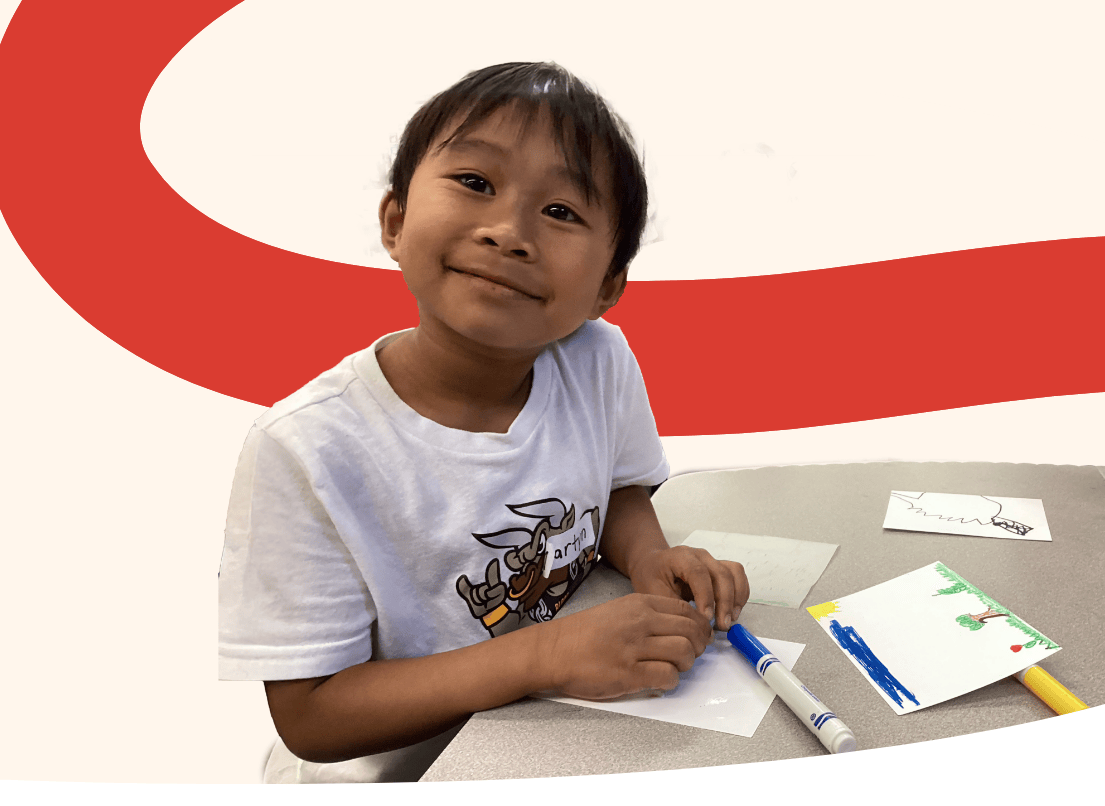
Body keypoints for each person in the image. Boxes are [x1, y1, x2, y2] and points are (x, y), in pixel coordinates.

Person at [216, 62, 750, 784]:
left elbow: (619, 492)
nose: (509, 232)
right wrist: (547, 653)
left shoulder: (597, 362)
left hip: (559, 742)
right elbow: (312, 716)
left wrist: (649, 557)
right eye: (475, 183)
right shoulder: (309, 448)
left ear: (608, 287)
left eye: (561, 212)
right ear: (396, 223)